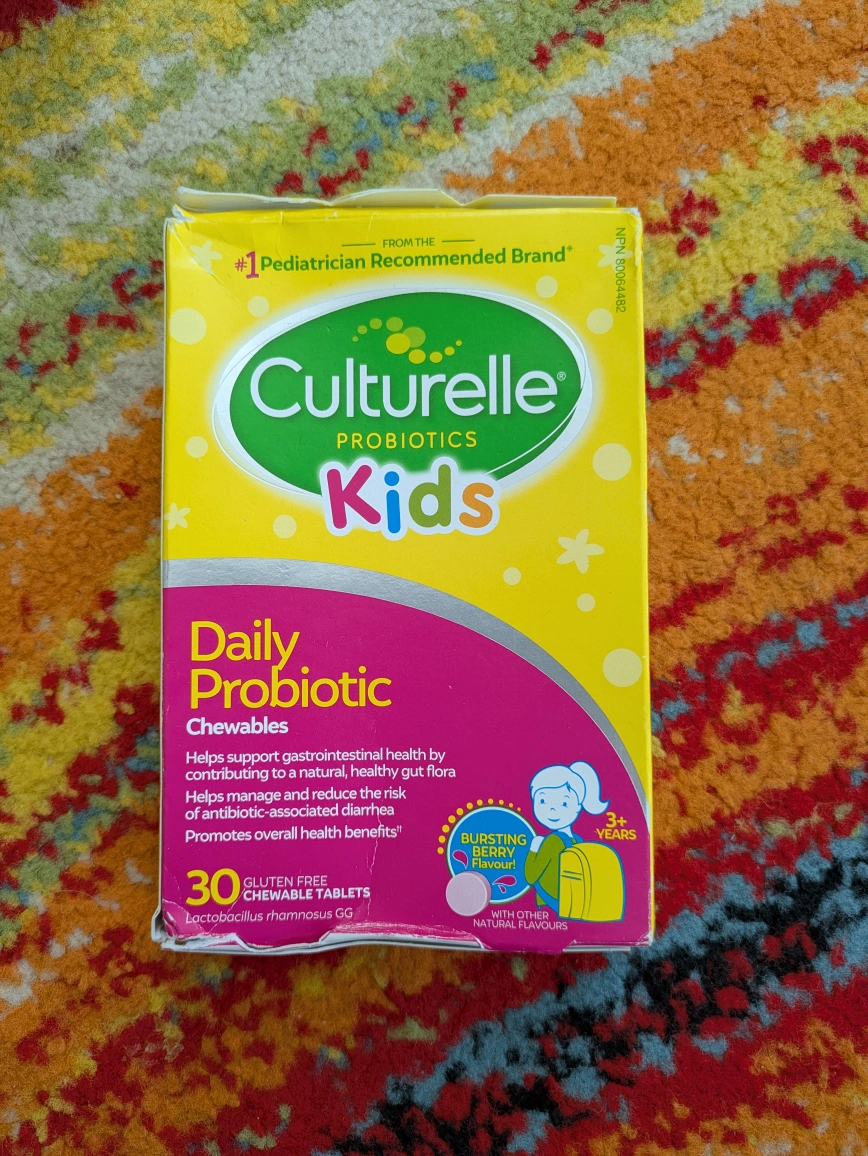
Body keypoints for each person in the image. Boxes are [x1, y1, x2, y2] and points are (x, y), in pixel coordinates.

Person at [523, 761, 609, 915]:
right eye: (542, 801)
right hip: (576, 904)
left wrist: (534, 847)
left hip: (551, 906)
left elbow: (530, 876)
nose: (552, 809)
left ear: (578, 806)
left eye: (563, 803)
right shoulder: (577, 840)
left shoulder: (552, 841)